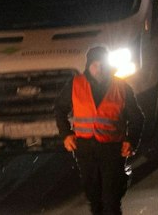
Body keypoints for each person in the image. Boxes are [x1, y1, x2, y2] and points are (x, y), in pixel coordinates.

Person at [57, 46, 146, 215]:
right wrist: (66, 135)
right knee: (93, 196)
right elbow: (59, 109)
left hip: (112, 149)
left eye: (102, 65)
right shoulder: (75, 85)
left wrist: (131, 141)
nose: (99, 69)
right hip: (85, 149)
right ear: (88, 66)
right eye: (95, 65)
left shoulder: (121, 87)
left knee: (111, 198)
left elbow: (137, 118)